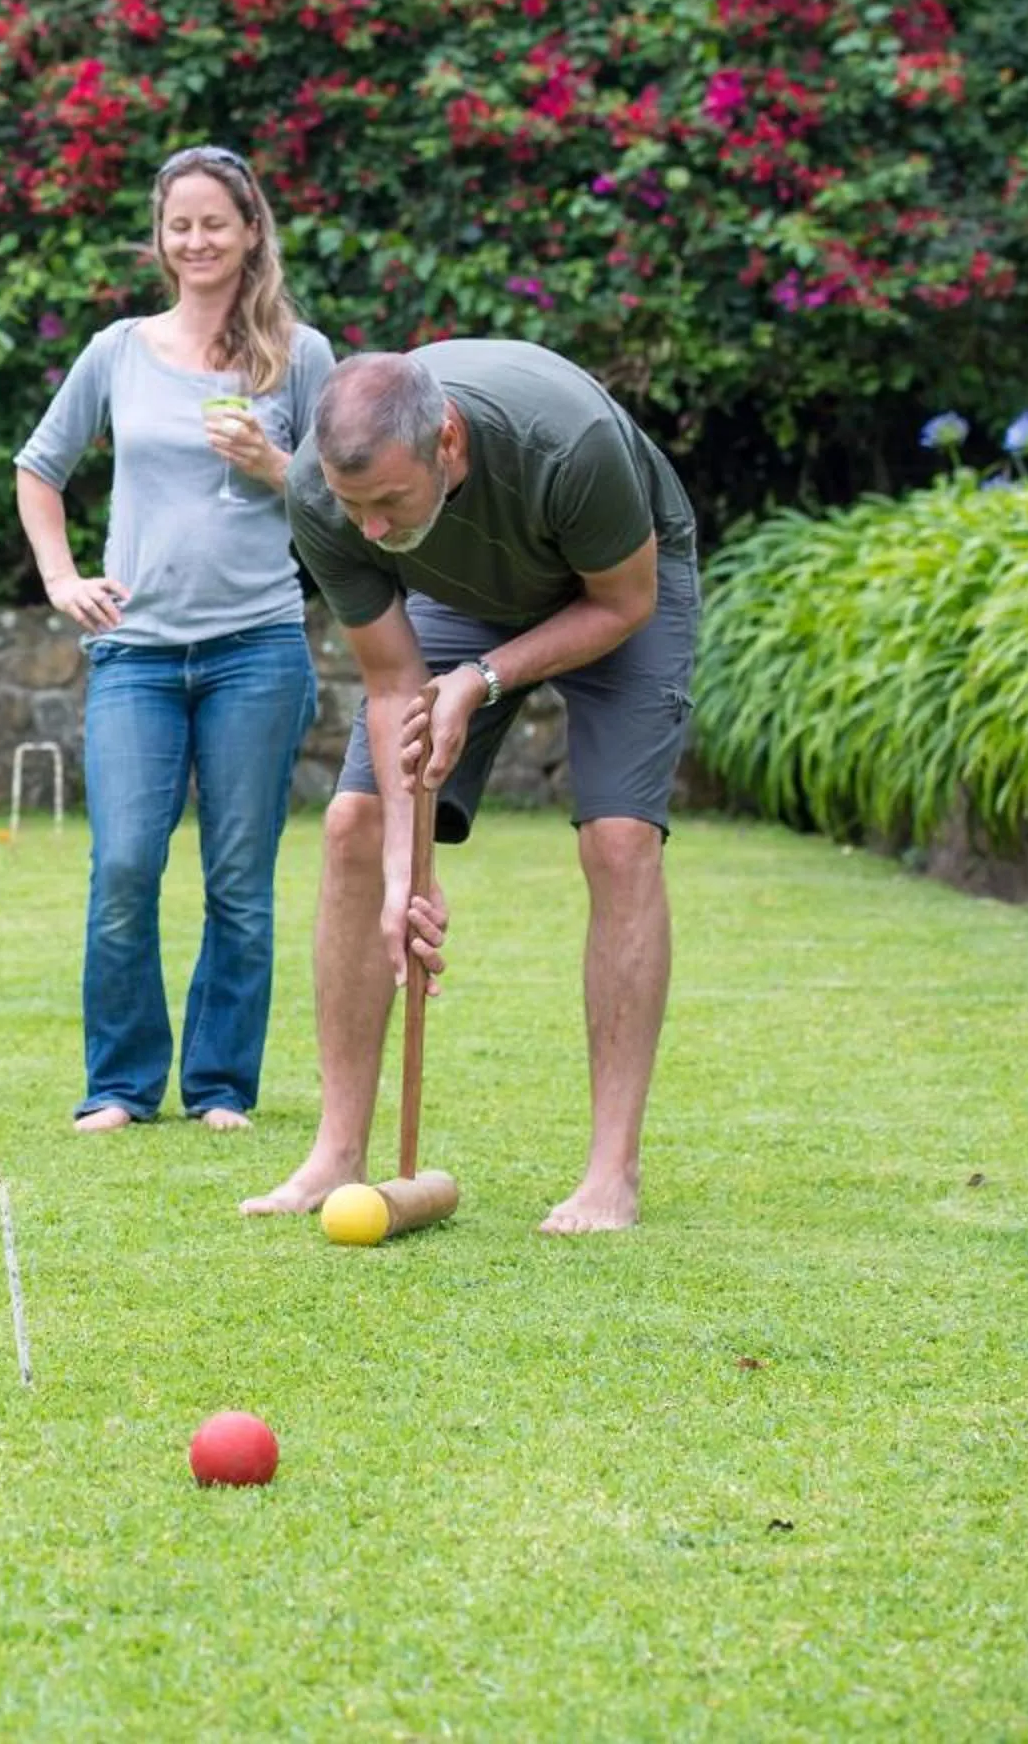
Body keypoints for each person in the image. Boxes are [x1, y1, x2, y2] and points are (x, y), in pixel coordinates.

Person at [245, 341, 700, 1233]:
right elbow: (390, 683)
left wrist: (482, 679)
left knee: (618, 840)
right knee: (355, 825)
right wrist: (401, 877)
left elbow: (623, 602)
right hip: (464, 595)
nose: (369, 530)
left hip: (616, 585)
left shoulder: (566, 446)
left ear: (447, 441)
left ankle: (612, 1173)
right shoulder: (321, 494)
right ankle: (337, 1151)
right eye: (353, 506)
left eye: (389, 503)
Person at [13, 145, 332, 1134]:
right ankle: (118, 1085)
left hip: (258, 650)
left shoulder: (301, 356)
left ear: (249, 233)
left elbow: (348, 499)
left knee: (240, 880)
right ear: (161, 238)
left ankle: (222, 1088)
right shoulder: (117, 351)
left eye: (213, 223)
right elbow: (39, 468)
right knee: (123, 869)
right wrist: (63, 578)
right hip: (137, 654)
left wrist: (275, 463)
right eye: (178, 224)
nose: (195, 240)